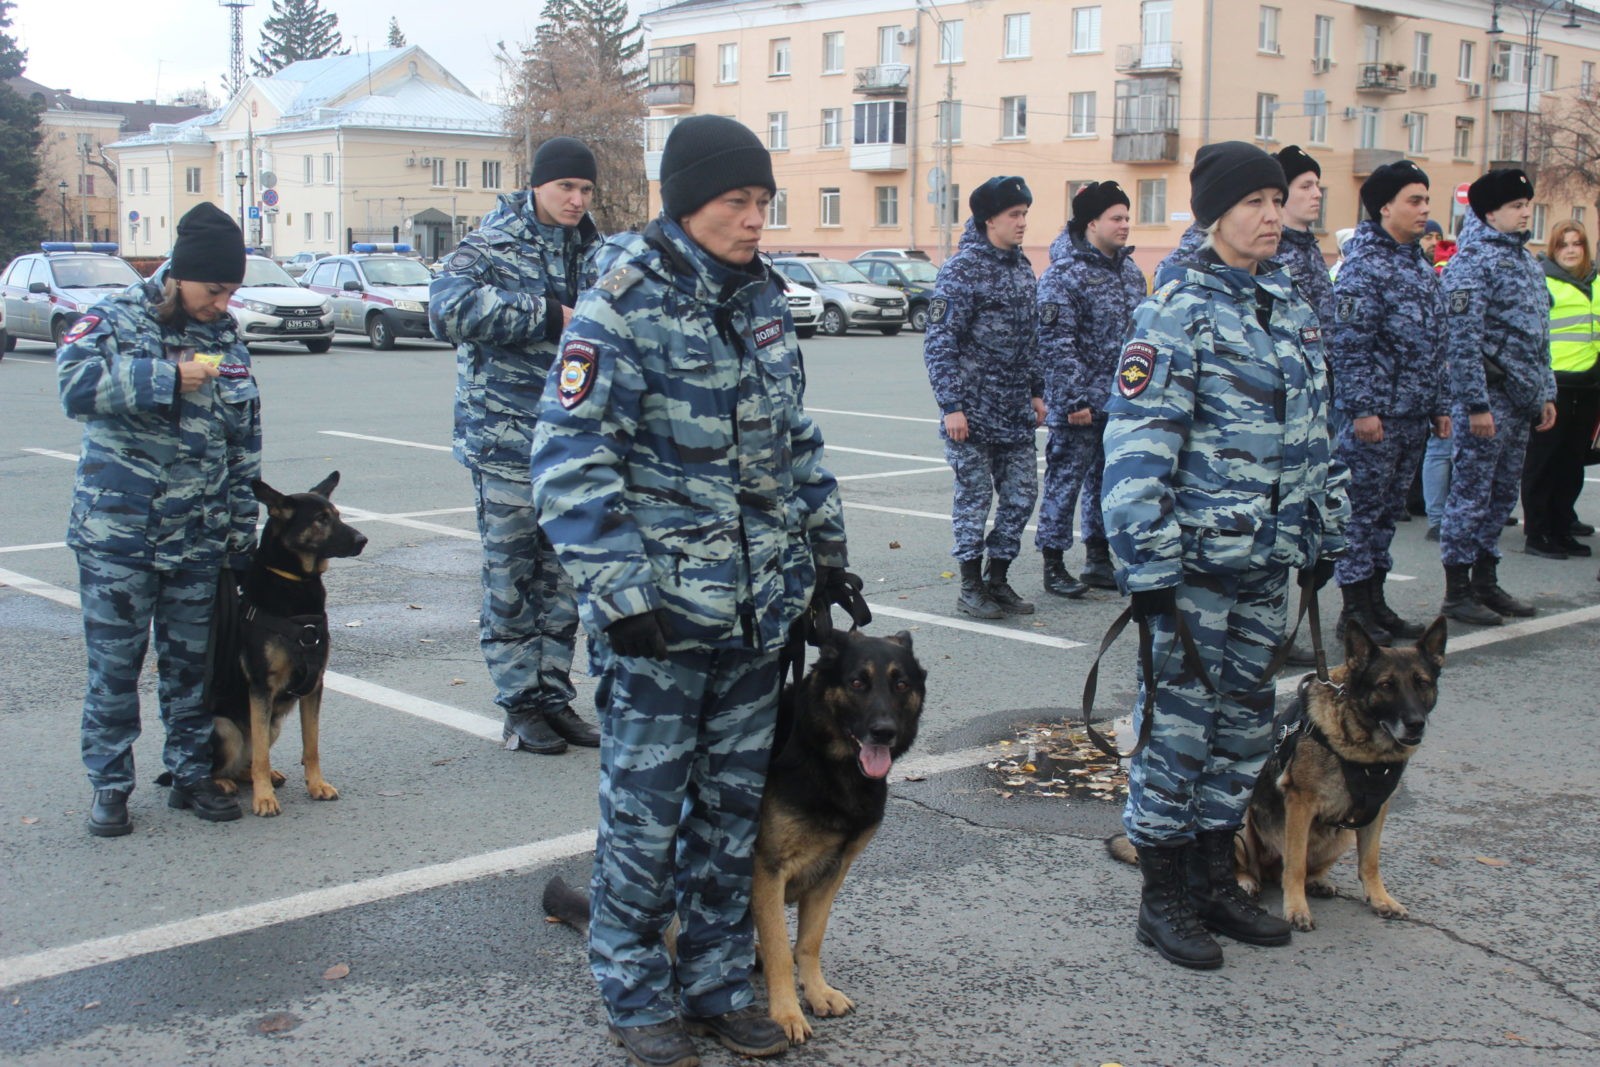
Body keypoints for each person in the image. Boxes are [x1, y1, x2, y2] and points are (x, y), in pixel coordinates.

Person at [529, 115, 854, 1067]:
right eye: (735, 202)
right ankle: (634, 990)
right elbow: (570, 458)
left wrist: (825, 558)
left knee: (729, 812)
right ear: (685, 203)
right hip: (663, 623)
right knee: (646, 813)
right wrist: (624, 597)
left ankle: (715, 983)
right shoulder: (621, 304)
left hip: (757, 616)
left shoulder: (760, 302)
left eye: (762, 203)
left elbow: (794, 438)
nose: (755, 220)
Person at [1101, 141, 1348, 970]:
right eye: (1254, 202)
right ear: (1214, 213)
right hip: (1196, 568)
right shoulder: (1175, 310)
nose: (1273, 215)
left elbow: (1318, 433)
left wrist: (1324, 530)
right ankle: (1163, 894)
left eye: (1279, 200)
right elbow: (1137, 450)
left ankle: (1214, 876)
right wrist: (1150, 572)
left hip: (1268, 559)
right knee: (1177, 729)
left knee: (1243, 728)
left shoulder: (1290, 305)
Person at [58, 202, 260, 836]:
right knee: (115, 668)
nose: (222, 303)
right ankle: (111, 785)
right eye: (213, 289)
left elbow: (243, 437)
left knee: (192, 667)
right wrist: (164, 378)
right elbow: (75, 385)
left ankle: (193, 772)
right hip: (119, 535)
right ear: (177, 274)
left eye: (232, 291)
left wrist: (239, 533)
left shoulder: (226, 337)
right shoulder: (115, 317)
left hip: (197, 536)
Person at [429, 136, 603, 754]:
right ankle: (519, 705)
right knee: (510, 580)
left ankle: (554, 698)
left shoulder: (596, 251)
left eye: (585, 189)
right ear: (538, 185)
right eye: (566, 188)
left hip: (572, 447)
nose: (577, 200)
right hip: (504, 443)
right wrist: (550, 316)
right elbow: (445, 309)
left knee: (561, 581)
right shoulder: (490, 244)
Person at [1326, 160, 1449, 644]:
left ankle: (1376, 603)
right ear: (1384, 207)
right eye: (1413, 201)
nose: (1423, 209)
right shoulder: (1364, 265)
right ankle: (1355, 613)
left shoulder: (1416, 262)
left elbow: (1434, 341)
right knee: (1360, 515)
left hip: (1412, 412)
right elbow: (1350, 344)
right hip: (1375, 416)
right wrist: (1361, 409)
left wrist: (1439, 403)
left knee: (1386, 515)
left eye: (1425, 200)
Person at [1438, 169, 1559, 625]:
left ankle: (1486, 581)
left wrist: (1545, 392)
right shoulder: (1473, 262)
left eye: (1527, 204)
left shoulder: (1526, 261)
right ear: (1490, 213)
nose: (1525, 211)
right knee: (1469, 494)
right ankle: (1457, 589)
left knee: (1502, 495)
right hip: (1489, 399)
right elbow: (1461, 341)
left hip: (1522, 398)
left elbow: (1539, 337)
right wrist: (1475, 405)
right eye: (1515, 205)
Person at [923, 175, 1044, 619]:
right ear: (989, 218)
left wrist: (1036, 391)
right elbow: (940, 343)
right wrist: (951, 405)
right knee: (973, 500)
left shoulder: (1021, 267)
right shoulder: (961, 270)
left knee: (1020, 497)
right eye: (1014, 214)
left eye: (1025, 214)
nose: (1022, 222)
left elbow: (1030, 338)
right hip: (971, 414)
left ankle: (998, 579)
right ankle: (970, 586)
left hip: (1013, 412)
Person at [1034, 180, 1146, 597]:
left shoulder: (1131, 273)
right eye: (1116, 218)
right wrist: (1073, 400)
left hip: (1121, 402)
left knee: (1108, 483)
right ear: (1091, 223)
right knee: (1066, 481)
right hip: (1078, 405)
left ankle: (1098, 558)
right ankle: (1053, 562)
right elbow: (1056, 343)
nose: (1125, 225)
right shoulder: (1063, 275)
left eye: (1127, 217)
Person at [1524, 219, 1600, 558]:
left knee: (1572, 462)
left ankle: (1561, 527)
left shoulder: (1596, 282)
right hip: (1554, 384)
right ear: (1554, 249)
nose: (1571, 250)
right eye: (1564, 244)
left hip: (1589, 384)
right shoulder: (1543, 281)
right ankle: (1537, 533)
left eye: (1577, 244)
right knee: (1544, 461)